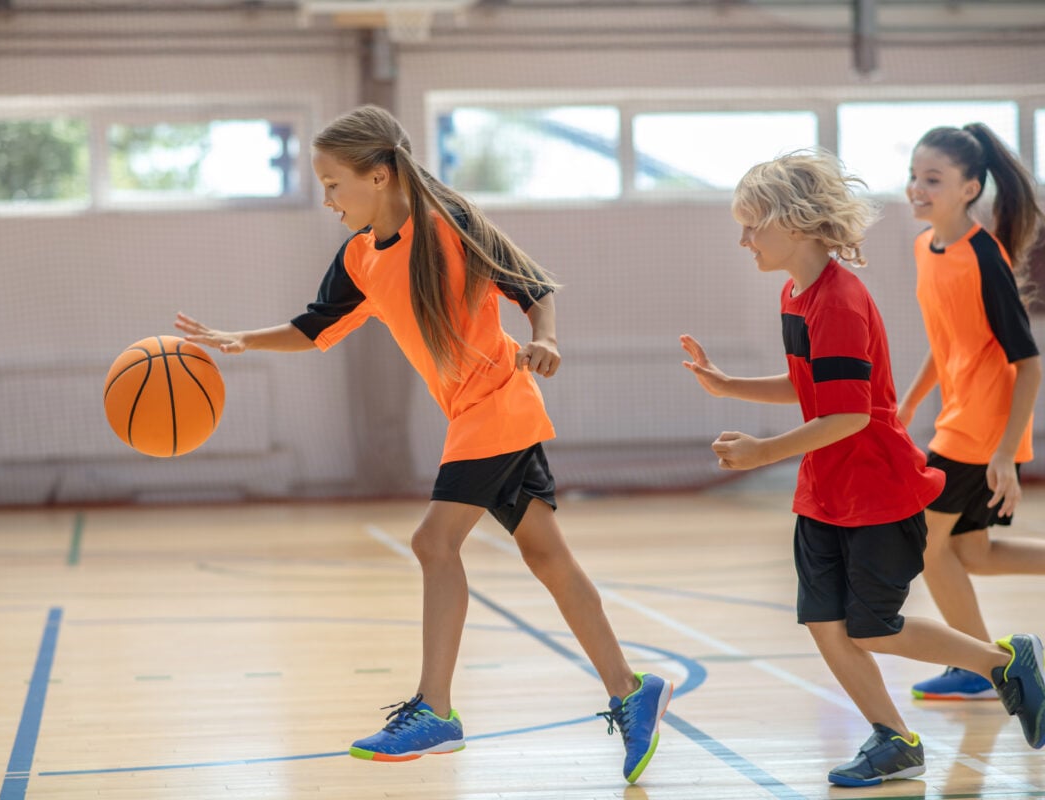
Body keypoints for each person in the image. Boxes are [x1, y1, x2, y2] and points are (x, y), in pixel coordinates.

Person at [175, 105, 671, 784]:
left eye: (332, 184)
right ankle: (629, 688)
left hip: (497, 405)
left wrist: (547, 340)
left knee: (433, 544)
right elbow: (315, 328)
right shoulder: (358, 258)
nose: (326, 199)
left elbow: (532, 288)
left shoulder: (448, 225)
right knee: (546, 555)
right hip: (481, 413)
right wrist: (239, 338)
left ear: (378, 177)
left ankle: (436, 709)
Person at [679, 150, 1045, 787]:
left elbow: (847, 416)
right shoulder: (796, 292)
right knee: (825, 622)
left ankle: (1002, 664)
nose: (743, 240)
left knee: (874, 628)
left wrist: (761, 454)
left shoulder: (839, 303)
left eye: (751, 226)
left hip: (876, 490)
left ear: (793, 224)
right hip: (824, 491)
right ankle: (894, 740)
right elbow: (813, 386)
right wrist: (728, 384)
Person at [899, 123, 1045, 701]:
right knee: (970, 553)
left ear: (969, 188)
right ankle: (984, 664)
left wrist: (1006, 455)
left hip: (980, 427)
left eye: (932, 179)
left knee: (925, 546)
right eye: (914, 176)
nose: (917, 188)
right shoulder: (925, 247)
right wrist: (909, 400)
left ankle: (984, 666)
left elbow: (1029, 364)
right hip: (958, 416)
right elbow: (948, 339)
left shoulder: (985, 257)